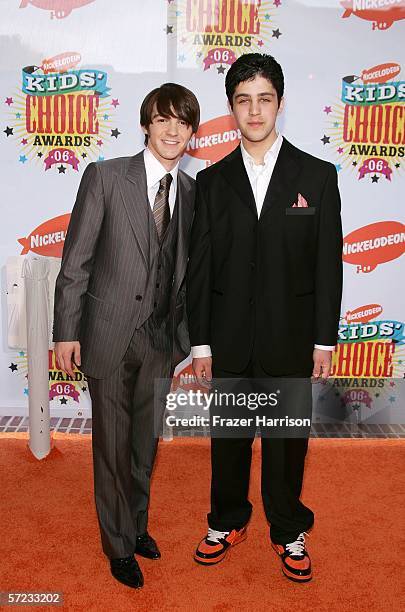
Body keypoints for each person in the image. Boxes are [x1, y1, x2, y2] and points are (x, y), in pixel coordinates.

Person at [187, 53, 342, 582]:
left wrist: (325, 339)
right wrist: (201, 344)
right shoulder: (209, 182)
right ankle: (227, 520)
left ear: (280, 102)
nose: (254, 111)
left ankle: (288, 528)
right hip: (228, 339)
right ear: (231, 108)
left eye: (264, 99)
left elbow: (329, 265)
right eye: (243, 100)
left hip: (292, 336)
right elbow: (200, 271)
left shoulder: (318, 176)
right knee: (228, 440)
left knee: (286, 445)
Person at [53, 83, 200, 589]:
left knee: (144, 448)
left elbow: (185, 270)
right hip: (108, 334)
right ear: (146, 124)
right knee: (112, 447)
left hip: (161, 341)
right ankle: (117, 545)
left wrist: (188, 339)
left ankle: (136, 525)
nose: (171, 129)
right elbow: (76, 263)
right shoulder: (106, 176)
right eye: (163, 119)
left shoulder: (192, 192)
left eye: (182, 121)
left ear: (192, 132)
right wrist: (65, 332)